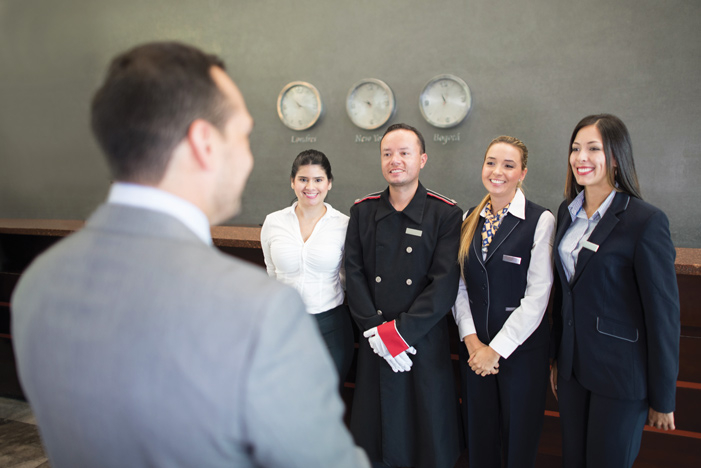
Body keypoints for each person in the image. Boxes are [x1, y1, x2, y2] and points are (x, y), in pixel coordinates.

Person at [11, 41, 369, 468]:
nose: (249, 157)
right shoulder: (258, 310)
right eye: (243, 135)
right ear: (204, 143)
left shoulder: (38, 282)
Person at [550, 114, 680, 467]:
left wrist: (664, 397)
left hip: (621, 376)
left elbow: (663, 315)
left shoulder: (645, 220)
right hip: (574, 371)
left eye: (594, 149)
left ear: (616, 157)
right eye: (576, 149)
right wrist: (556, 358)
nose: (581, 158)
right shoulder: (567, 212)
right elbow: (564, 295)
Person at [344, 123, 463, 468]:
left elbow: (443, 285)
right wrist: (378, 331)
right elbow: (354, 275)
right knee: (376, 440)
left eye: (404, 153)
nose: (394, 160)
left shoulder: (445, 213)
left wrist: (400, 335)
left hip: (421, 343)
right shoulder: (363, 211)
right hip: (375, 342)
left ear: (422, 159)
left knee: (426, 438)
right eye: (387, 153)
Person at [452, 136, 555, 467]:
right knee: (480, 442)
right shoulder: (469, 217)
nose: (497, 171)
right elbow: (460, 287)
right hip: (475, 354)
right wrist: (472, 343)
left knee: (518, 445)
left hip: (520, 355)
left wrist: (494, 350)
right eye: (491, 162)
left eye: (508, 165)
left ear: (522, 173)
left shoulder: (541, 221)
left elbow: (538, 297)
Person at [261, 149, 354, 383]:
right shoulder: (273, 222)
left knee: (324, 404)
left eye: (318, 179)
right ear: (292, 182)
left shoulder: (344, 225)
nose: (310, 187)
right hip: (284, 325)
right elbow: (272, 272)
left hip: (330, 326)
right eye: (303, 179)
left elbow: (347, 276)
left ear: (329, 183)